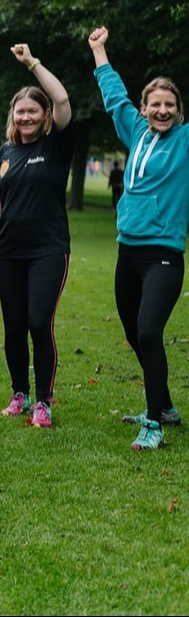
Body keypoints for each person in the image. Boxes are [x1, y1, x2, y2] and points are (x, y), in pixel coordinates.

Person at [88, 26, 187, 451]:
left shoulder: (184, 141)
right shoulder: (136, 132)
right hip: (127, 252)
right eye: (155, 105)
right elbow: (114, 96)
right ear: (145, 109)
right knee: (134, 332)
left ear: (178, 110)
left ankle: (154, 425)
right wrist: (99, 51)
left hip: (164, 254)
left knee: (149, 331)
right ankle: (163, 405)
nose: (161, 111)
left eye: (169, 105)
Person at [0, 44, 73, 429]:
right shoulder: (8, 152)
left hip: (48, 250)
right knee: (13, 325)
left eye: (33, 110)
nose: (26, 116)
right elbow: (0, 200)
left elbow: (61, 96)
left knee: (37, 322)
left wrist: (32, 64)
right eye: (20, 111)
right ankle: (20, 394)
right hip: (8, 250)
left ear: (45, 116)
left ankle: (43, 401)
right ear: (13, 115)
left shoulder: (58, 146)